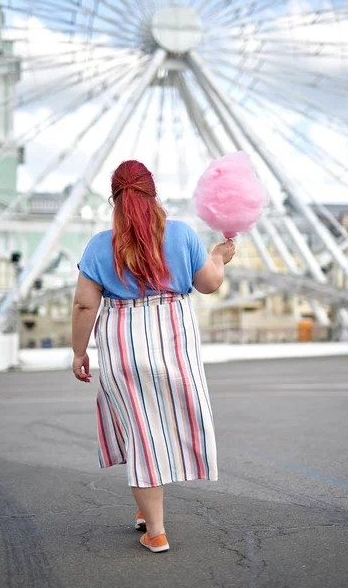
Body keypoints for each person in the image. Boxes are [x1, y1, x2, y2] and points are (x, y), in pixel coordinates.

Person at [72, 160, 235, 553]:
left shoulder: (100, 245)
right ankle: (149, 517)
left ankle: (155, 529)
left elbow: (83, 306)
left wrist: (79, 351)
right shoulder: (180, 234)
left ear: (115, 199)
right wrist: (218, 257)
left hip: (123, 345)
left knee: (139, 431)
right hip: (173, 342)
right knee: (161, 429)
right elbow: (209, 284)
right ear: (153, 193)